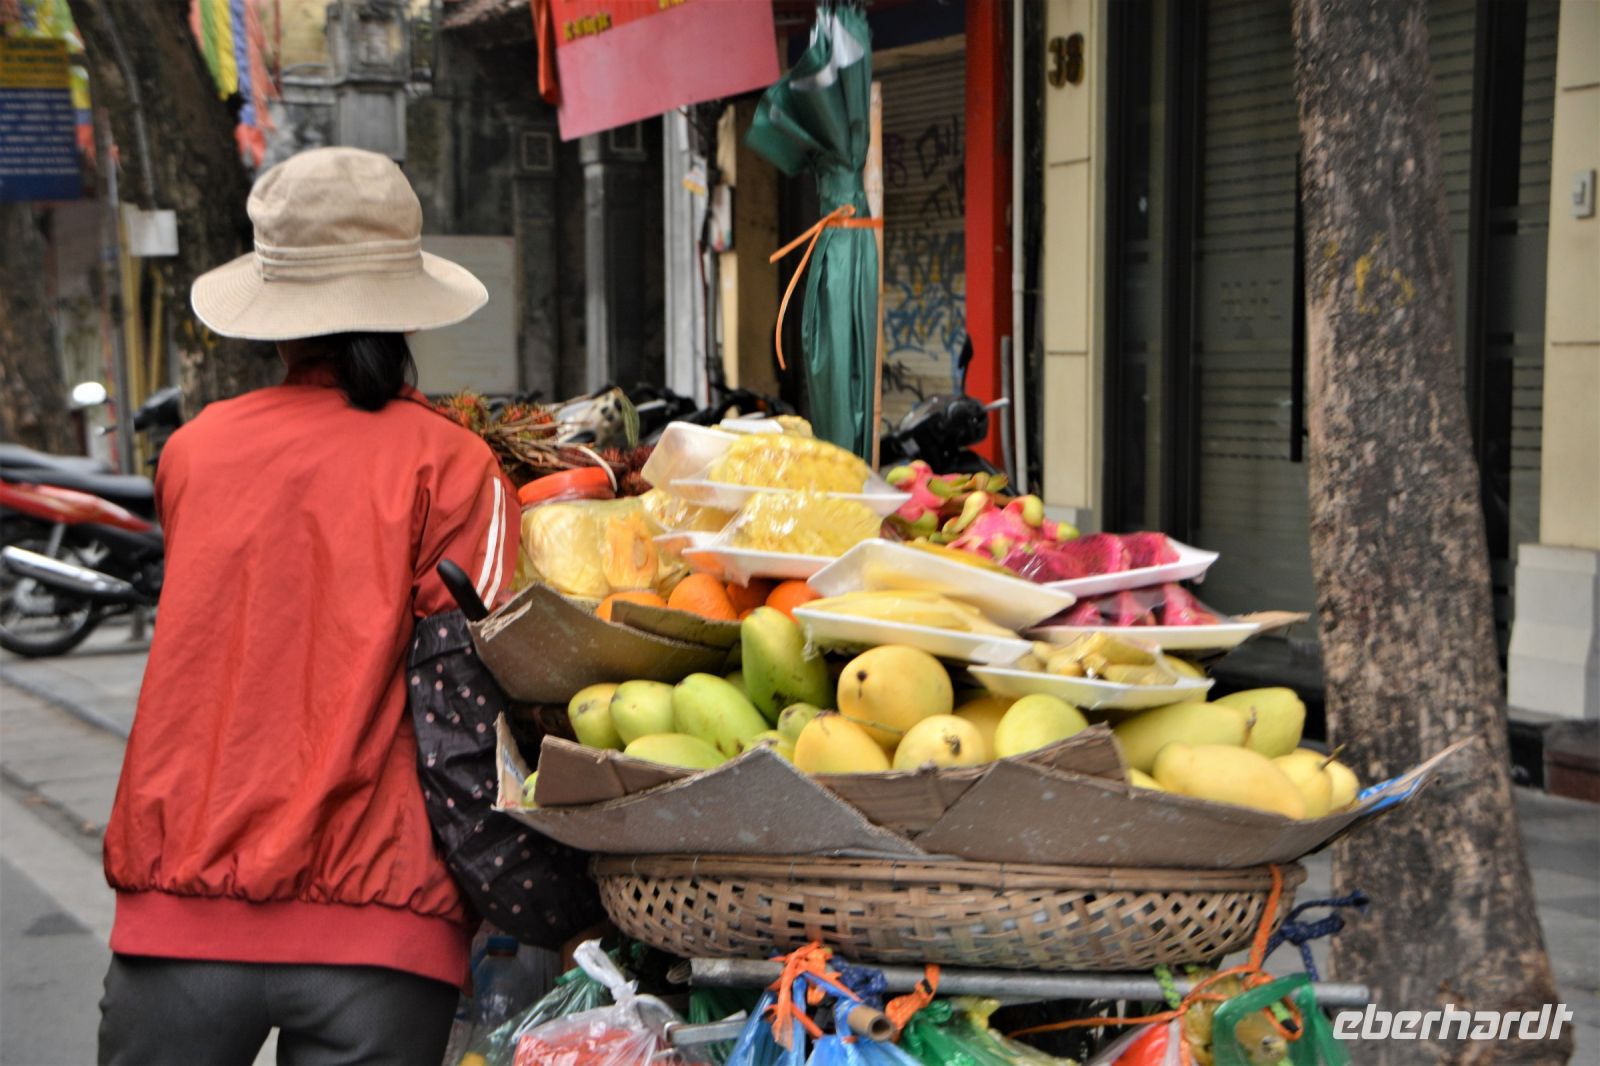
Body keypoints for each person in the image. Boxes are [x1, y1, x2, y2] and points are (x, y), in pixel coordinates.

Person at [97, 147, 525, 1065]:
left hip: (180, 916)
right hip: (383, 927)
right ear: (409, 306)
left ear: (274, 315)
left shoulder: (194, 454)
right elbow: (494, 671)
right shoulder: (454, 466)